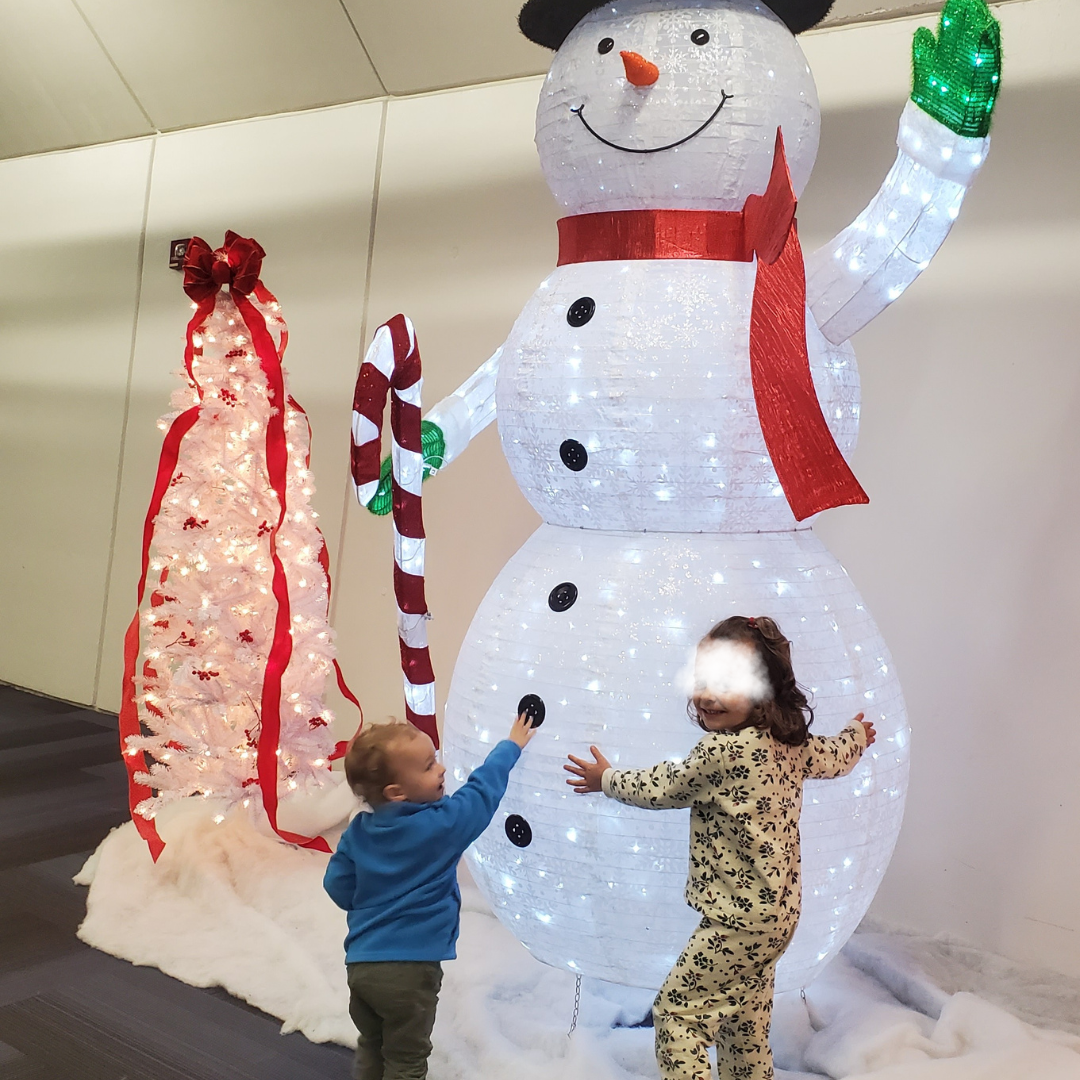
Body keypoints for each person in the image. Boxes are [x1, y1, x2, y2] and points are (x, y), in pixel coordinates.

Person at [565, 615, 875, 1080]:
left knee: (678, 1015)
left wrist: (605, 779)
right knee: (743, 1023)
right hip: (777, 918)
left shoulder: (722, 753)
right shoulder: (789, 743)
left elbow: (663, 787)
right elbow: (834, 756)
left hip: (739, 921)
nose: (707, 695)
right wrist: (855, 736)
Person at [325, 711, 537, 1080]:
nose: (440, 769)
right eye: (428, 766)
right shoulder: (441, 825)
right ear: (396, 792)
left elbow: (336, 885)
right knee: (408, 1059)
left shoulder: (358, 831)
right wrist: (511, 745)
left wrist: (372, 900)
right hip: (410, 971)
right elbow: (482, 792)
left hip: (361, 966)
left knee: (373, 1044)